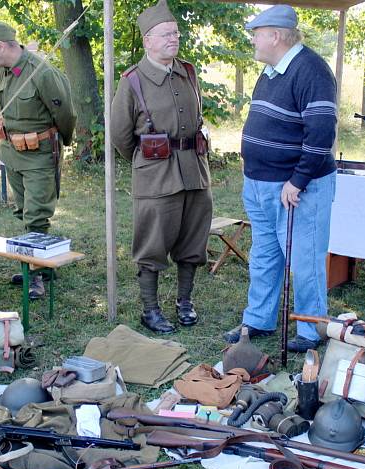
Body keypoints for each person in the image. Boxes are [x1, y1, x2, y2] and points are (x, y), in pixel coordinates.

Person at [222, 5, 337, 353]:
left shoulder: (312, 70)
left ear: (275, 35)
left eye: (257, 34)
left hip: (298, 187)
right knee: (264, 255)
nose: (253, 40)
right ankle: (259, 318)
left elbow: (321, 134)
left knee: (304, 260)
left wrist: (298, 181)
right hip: (259, 182)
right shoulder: (272, 71)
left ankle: (309, 329)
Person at [110, 0, 212, 335]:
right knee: (152, 244)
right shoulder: (133, 82)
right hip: (156, 177)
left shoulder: (188, 73)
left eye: (176, 32)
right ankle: (150, 310)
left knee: (192, 240)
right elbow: (122, 137)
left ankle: (185, 302)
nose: (174, 38)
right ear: (148, 41)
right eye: (165, 34)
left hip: (194, 171)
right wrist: (148, 161)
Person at [0, 21, 76, 299]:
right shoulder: (5, 72)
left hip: (39, 154)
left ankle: (35, 276)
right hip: (13, 153)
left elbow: (66, 113)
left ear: (0, 46)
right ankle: (42, 264)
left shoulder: (42, 72)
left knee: (36, 215)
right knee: (23, 211)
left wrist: (59, 143)